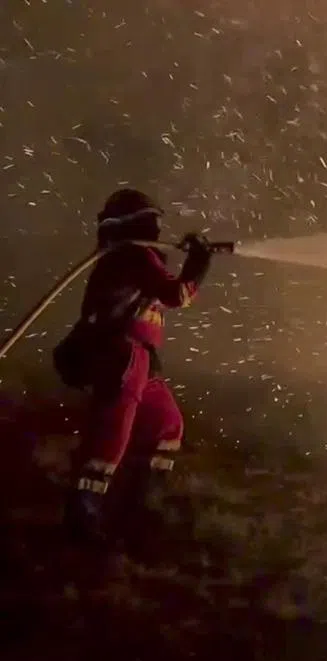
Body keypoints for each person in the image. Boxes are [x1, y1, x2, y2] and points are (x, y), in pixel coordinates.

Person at [57, 188, 215, 541]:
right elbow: (176, 295)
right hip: (122, 357)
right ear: (138, 224)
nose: (159, 231)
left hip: (139, 359)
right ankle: (83, 513)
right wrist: (199, 264)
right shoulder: (133, 256)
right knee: (112, 435)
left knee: (166, 426)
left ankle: (142, 503)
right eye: (152, 223)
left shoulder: (133, 258)